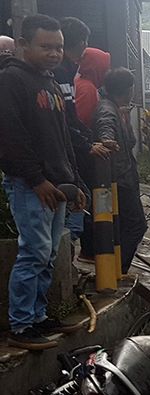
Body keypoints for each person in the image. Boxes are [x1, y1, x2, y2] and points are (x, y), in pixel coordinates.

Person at [0, 15, 86, 349]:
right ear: (22, 44)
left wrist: (74, 180)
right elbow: (10, 138)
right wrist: (36, 179)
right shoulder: (10, 81)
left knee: (48, 254)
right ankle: (21, 326)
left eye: (59, 47)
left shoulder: (49, 82)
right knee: (33, 252)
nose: (54, 53)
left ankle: (38, 315)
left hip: (57, 184)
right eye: (45, 46)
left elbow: (63, 138)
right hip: (30, 186)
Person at [54, 18, 109, 263]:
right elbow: (74, 120)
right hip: (71, 156)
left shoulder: (67, 76)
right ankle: (73, 257)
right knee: (80, 206)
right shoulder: (75, 83)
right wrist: (88, 144)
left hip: (73, 152)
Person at [93, 68, 147, 275]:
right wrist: (108, 140)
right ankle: (118, 271)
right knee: (136, 226)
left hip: (123, 179)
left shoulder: (116, 108)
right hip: (118, 182)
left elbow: (130, 141)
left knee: (123, 227)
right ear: (128, 89)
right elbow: (105, 128)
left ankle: (116, 270)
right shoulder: (107, 110)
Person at [74, 47, 110, 128]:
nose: (107, 72)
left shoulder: (78, 82)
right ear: (97, 67)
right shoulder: (88, 89)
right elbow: (82, 122)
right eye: (105, 68)